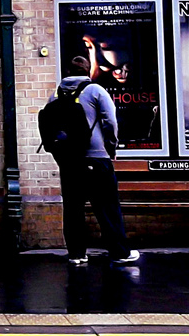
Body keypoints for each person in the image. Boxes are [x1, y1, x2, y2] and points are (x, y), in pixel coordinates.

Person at [54, 55, 139, 267]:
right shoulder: (96, 91)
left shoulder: (56, 94)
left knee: (73, 209)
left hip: (70, 161)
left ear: (67, 72)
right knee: (107, 207)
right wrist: (111, 147)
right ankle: (119, 253)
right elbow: (110, 121)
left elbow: (52, 127)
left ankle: (76, 254)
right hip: (96, 158)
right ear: (87, 71)